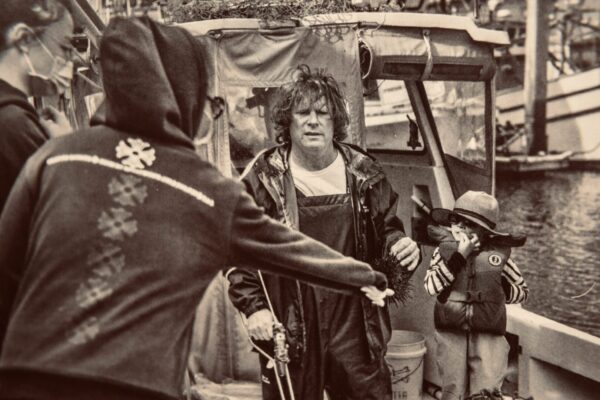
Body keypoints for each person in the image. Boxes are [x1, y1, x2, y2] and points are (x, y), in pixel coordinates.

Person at [0, 17, 392, 400]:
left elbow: (8, 268)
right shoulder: (208, 192)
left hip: (24, 374)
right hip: (132, 385)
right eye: (209, 100)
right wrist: (365, 276)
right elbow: (291, 251)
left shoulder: (57, 156)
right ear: (184, 92)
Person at [227, 65, 421, 400]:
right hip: (291, 319)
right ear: (288, 122)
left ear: (336, 122)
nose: (313, 121)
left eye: (323, 113)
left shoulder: (364, 171)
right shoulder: (263, 177)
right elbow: (234, 247)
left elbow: (388, 230)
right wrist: (254, 307)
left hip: (355, 320)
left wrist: (403, 247)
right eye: (303, 113)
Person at [424, 191, 529, 400]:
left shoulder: (499, 258)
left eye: (468, 224)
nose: (460, 227)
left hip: (488, 338)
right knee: (453, 392)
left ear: (484, 232)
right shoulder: (442, 253)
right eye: (456, 221)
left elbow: (523, 292)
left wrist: (501, 290)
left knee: (486, 392)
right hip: (451, 335)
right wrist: (459, 257)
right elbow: (431, 287)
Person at [0, 0, 74, 213]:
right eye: (65, 48)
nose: (69, 61)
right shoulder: (15, 125)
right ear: (25, 38)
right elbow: (61, 216)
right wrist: (65, 150)